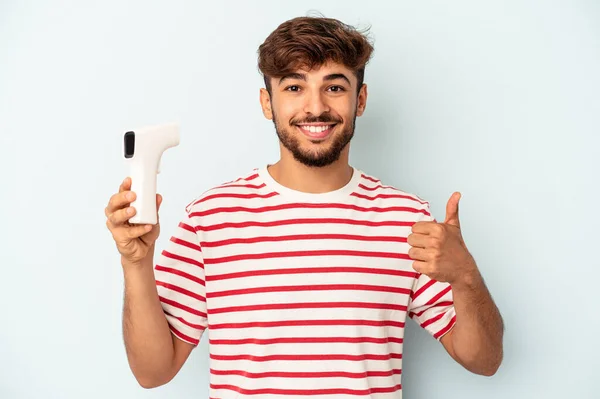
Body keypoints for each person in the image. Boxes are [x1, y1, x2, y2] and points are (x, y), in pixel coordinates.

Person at [105, 15, 504, 398]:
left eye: (334, 87)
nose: (315, 108)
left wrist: (466, 276)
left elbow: (484, 360)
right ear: (267, 102)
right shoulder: (210, 218)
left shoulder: (405, 219)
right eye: (294, 88)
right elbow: (152, 372)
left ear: (360, 99)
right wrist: (136, 265)